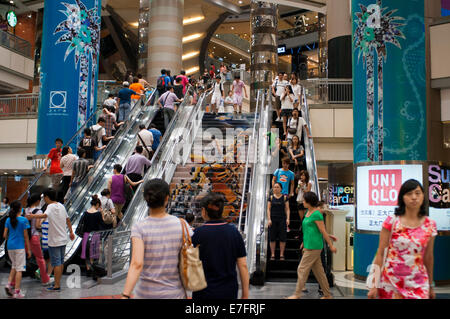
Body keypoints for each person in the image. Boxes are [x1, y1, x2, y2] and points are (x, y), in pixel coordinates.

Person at [121, 179, 192, 299]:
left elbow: (137, 264)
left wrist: (125, 294)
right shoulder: (182, 224)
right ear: (167, 198)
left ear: (145, 199)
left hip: (146, 293)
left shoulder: (139, 227)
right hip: (174, 293)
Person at [367, 179, 437, 299]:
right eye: (409, 194)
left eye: (417, 193)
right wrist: (374, 284)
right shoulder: (392, 221)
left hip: (419, 284)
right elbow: (380, 253)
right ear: (402, 198)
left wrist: (430, 285)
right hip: (391, 284)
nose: (414, 197)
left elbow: (428, 257)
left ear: (423, 196)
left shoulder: (430, 225)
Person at [192, 192, 249, 299]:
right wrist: (245, 295)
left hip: (203, 291)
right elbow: (243, 265)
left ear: (204, 211)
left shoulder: (197, 234)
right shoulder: (234, 233)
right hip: (228, 291)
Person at [286, 191, 337, 299]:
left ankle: (297, 294)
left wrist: (330, 245)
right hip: (309, 245)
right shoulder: (307, 213)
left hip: (314, 246)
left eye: (304, 200)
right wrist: (304, 242)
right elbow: (308, 230)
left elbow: (322, 230)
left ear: (309, 201)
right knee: (319, 272)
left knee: (301, 268)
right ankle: (327, 294)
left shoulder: (317, 214)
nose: (303, 202)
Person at [27, 188, 76, 292]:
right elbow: (68, 219)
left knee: (56, 262)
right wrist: (71, 232)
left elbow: (44, 215)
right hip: (63, 239)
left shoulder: (50, 206)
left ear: (47, 197)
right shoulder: (61, 206)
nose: (44, 199)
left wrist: (32, 216)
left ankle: (56, 285)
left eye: (44, 197)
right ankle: (57, 283)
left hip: (54, 240)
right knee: (61, 262)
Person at [3, 201, 31, 298]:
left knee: (14, 266)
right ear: (20, 209)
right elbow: (26, 236)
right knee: (20, 269)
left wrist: (10, 239)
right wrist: (29, 250)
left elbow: (4, 235)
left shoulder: (8, 220)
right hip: (19, 247)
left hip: (10, 246)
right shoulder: (23, 220)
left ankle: (9, 284)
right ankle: (17, 292)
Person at [24, 193, 53, 286]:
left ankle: (12, 282)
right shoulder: (39, 211)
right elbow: (37, 225)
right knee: (40, 258)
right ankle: (45, 279)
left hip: (25, 237)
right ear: (37, 201)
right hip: (34, 237)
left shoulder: (26, 210)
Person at [79, 195, 106, 277]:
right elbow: (102, 224)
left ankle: (88, 269)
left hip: (86, 235)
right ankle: (92, 270)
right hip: (95, 235)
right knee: (93, 254)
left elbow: (82, 224)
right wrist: (102, 213)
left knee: (87, 254)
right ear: (97, 204)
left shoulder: (85, 213)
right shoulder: (98, 214)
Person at [267, 183, 290, 261]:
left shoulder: (285, 198)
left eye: (277, 187)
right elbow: (268, 209)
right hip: (272, 220)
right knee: (272, 238)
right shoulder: (270, 197)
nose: (276, 188)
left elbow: (287, 209)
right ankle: (272, 254)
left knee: (282, 238)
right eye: (274, 187)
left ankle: (281, 254)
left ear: (281, 189)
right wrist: (269, 219)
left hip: (282, 220)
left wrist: (288, 219)